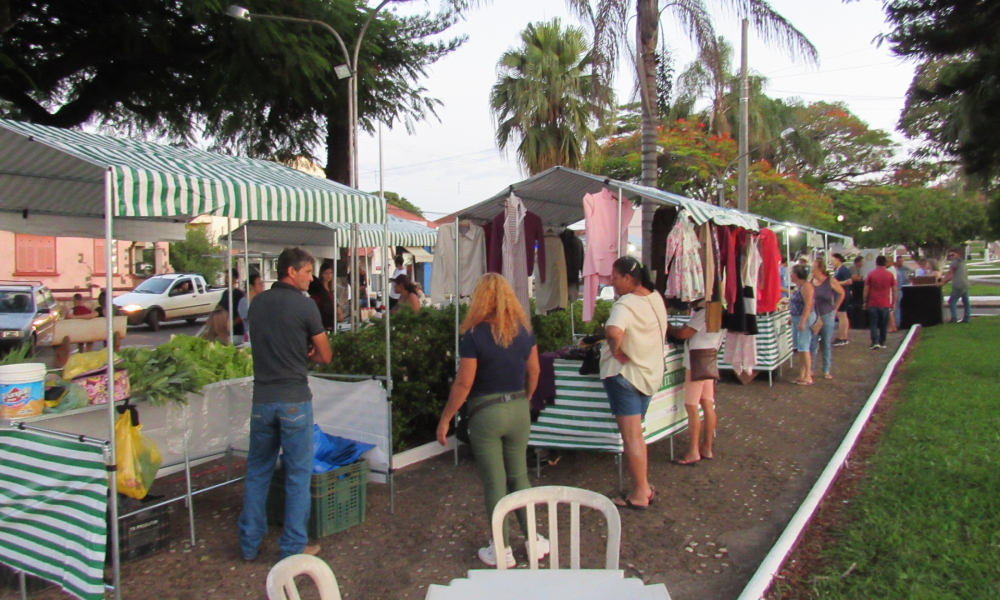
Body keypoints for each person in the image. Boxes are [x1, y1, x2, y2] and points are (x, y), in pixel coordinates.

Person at [435, 273, 543, 568]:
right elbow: (534, 372)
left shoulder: (473, 335)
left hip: (486, 412)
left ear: (480, 299)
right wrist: (526, 399)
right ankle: (534, 541)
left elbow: (463, 384)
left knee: (495, 483)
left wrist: (446, 418)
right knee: (519, 476)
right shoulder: (523, 330)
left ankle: (503, 549)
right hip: (518, 408)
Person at [238, 247, 332, 561]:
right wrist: (309, 355)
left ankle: (248, 544)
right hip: (294, 400)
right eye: (307, 271)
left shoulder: (257, 303)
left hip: (262, 400)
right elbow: (325, 354)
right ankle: (292, 547)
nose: (311, 278)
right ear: (290, 272)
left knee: (257, 472)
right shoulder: (305, 307)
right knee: (297, 475)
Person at [599, 257, 667, 509]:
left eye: (615, 278)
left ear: (628, 278)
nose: (613, 284)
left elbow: (613, 331)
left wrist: (616, 351)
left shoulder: (625, 304)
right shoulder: (655, 297)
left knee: (632, 438)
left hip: (625, 375)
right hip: (649, 373)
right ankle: (644, 486)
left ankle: (640, 492)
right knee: (637, 434)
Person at [667, 300, 723, 466]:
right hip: (710, 358)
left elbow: (684, 333)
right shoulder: (720, 311)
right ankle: (706, 447)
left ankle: (693, 451)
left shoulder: (704, 312)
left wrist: (668, 327)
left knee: (692, 406)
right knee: (707, 404)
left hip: (696, 360)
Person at [809, 259, 846, 380]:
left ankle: (826, 369)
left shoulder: (830, 281)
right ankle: (811, 369)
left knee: (825, 343)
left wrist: (835, 308)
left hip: (827, 314)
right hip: (815, 316)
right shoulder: (811, 281)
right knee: (812, 343)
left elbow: (841, 293)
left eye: (813, 267)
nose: (811, 270)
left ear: (820, 269)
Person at [789, 265, 816, 385]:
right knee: (800, 348)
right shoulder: (799, 286)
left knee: (804, 347)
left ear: (796, 274)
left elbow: (808, 305)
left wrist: (802, 321)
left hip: (803, 318)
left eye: (792, 273)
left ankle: (808, 374)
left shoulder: (806, 286)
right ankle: (802, 374)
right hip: (797, 318)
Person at [863, 255, 896, 349]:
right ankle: (882, 341)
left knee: (873, 322)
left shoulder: (871, 274)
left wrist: (865, 301)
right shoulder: (890, 275)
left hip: (873, 302)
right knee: (884, 323)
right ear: (885, 263)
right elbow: (894, 290)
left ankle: (875, 341)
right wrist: (893, 302)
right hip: (885, 302)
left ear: (876, 263)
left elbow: (866, 289)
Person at [938, 248, 970, 323]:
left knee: (952, 301)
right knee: (966, 302)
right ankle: (966, 318)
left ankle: (954, 318)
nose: (951, 256)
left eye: (953, 254)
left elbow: (950, 274)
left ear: (958, 254)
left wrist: (942, 282)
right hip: (965, 284)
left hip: (958, 285)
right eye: (950, 255)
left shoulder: (955, 262)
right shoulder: (963, 262)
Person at [214, 269, 246, 344]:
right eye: (226, 277)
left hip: (236, 333)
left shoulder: (239, 294)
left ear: (234, 279)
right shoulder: (225, 293)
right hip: (225, 333)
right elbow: (219, 308)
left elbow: (242, 314)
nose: (225, 279)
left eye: (228, 277)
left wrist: (232, 324)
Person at [831, 254, 853, 346]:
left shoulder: (843, 270)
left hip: (843, 295)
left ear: (838, 259)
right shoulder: (839, 270)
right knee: (841, 315)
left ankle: (843, 337)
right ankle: (843, 336)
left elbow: (849, 281)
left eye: (833, 260)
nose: (831, 262)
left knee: (842, 315)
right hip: (840, 294)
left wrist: (836, 284)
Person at [309, 263, 338, 329]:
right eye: (326, 273)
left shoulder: (331, 288)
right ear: (321, 274)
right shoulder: (318, 288)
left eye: (331, 273)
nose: (329, 275)